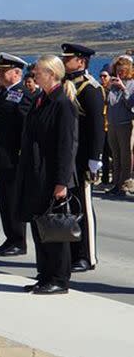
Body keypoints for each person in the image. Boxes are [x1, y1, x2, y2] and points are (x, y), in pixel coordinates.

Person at [17, 55, 78, 295]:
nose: (34, 76)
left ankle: (59, 278)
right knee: (39, 226)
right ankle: (44, 274)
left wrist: (62, 182)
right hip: (35, 172)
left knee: (54, 228)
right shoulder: (40, 99)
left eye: (39, 72)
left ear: (52, 74)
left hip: (51, 174)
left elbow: (66, 146)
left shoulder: (62, 104)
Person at [61, 43, 104, 273]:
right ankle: (73, 251)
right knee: (70, 206)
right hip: (69, 156)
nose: (64, 61)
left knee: (84, 207)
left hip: (83, 156)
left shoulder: (90, 88)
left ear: (81, 61)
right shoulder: (66, 85)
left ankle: (88, 255)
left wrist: (94, 159)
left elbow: (97, 127)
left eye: (68, 58)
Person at [0, 53, 33, 257]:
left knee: (13, 200)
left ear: (16, 73)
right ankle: (10, 237)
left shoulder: (23, 94)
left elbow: (25, 128)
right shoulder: (5, 93)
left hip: (13, 157)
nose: (1, 75)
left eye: (4, 71)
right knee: (4, 200)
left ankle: (19, 241)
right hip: (0, 155)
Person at [103, 55, 134, 198]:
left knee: (125, 154)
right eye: (118, 70)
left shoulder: (132, 84)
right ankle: (115, 183)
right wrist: (109, 88)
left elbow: (130, 104)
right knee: (115, 155)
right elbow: (108, 102)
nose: (120, 73)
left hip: (125, 123)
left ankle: (125, 183)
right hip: (112, 123)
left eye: (122, 71)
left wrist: (123, 89)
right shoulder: (114, 84)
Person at [99, 65, 112, 187]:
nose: (102, 78)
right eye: (101, 76)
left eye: (105, 76)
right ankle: (104, 178)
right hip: (102, 126)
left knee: (112, 153)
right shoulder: (98, 90)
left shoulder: (111, 90)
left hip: (110, 125)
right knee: (104, 154)